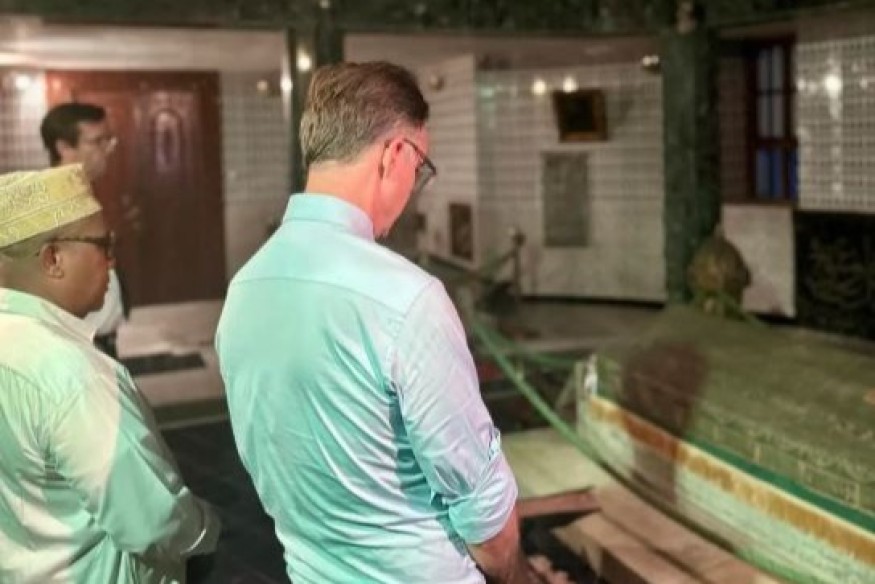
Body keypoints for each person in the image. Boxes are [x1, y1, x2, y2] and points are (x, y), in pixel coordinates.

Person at [216, 61, 537, 583]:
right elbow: (480, 506)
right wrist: (520, 575)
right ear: (395, 155)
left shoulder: (245, 289)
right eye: (420, 168)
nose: (414, 188)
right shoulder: (405, 299)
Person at [0, 164, 220, 583]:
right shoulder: (70, 372)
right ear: (53, 258)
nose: (113, 261)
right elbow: (153, 521)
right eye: (103, 245)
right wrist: (206, 531)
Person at [40, 102, 127, 357]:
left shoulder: (82, 193)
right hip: (77, 345)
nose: (106, 149)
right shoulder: (52, 203)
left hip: (98, 342)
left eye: (108, 140)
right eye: (97, 141)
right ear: (64, 147)